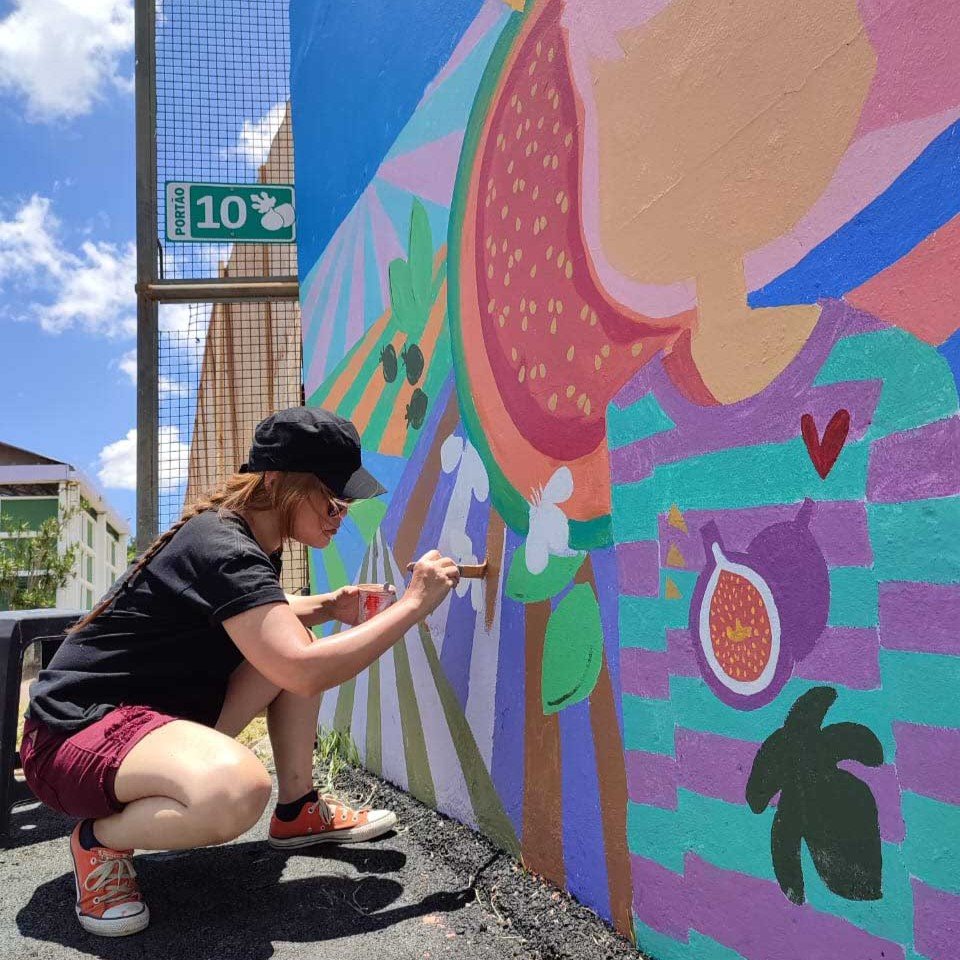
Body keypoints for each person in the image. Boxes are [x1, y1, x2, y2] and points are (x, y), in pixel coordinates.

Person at [20, 407, 460, 938]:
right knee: (236, 792)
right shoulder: (223, 545)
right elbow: (300, 672)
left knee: (289, 638)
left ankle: (297, 810)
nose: (339, 514)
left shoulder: (246, 542)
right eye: (332, 499)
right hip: (74, 738)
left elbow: (257, 618)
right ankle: (100, 841)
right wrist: (413, 605)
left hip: (146, 725)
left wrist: (328, 605)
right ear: (276, 481)